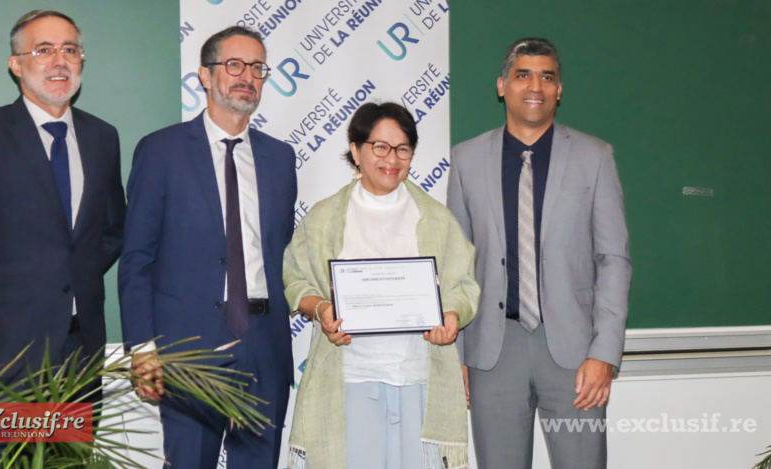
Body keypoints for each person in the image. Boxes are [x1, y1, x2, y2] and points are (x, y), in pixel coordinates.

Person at [0, 8, 125, 465]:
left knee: (68, 463)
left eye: (70, 49)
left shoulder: (103, 137)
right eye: (43, 50)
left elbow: (110, 230)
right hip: (3, 359)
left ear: (82, 60)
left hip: (80, 353)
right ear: (17, 64)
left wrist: (68, 278)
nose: (59, 61)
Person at [447, 38, 632, 469]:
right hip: (492, 353)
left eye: (547, 76)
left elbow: (614, 259)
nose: (536, 85)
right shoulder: (466, 159)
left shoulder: (595, 157)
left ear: (559, 89)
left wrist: (604, 352)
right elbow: (455, 267)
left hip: (575, 353)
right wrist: (453, 356)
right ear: (502, 86)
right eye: (523, 74)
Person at [118, 26, 297, 469]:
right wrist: (142, 349)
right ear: (204, 75)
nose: (246, 76)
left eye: (257, 67)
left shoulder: (280, 158)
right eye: (233, 64)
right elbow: (137, 258)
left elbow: (281, 252)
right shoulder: (161, 151)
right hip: (188, 348)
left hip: (264, 346)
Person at [283, 102, 479, 469]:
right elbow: (296, 279)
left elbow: (464, 285)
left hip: (419, 378)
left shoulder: (436, 219)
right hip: (349, 381)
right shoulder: (324, 218)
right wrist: (321, 309)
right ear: (356, 151)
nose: (393, 158)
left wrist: (451, 315)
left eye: (403, 149)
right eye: (380, 147)